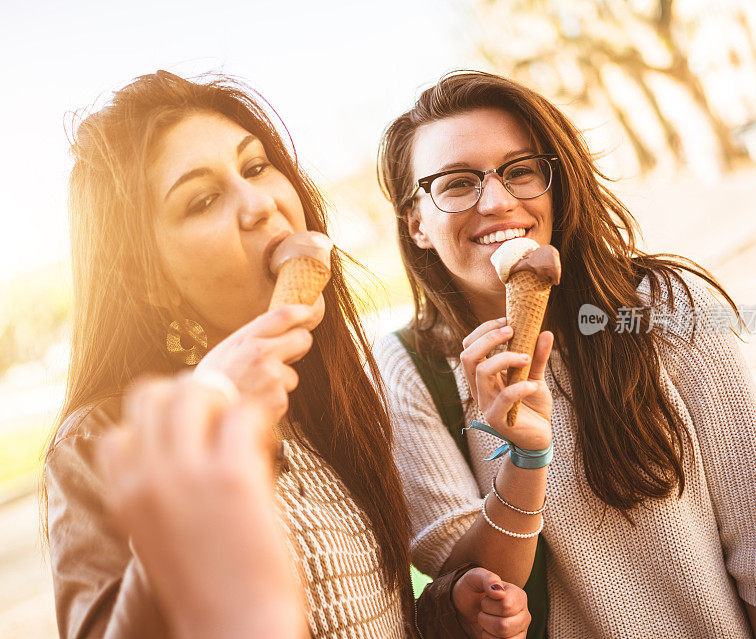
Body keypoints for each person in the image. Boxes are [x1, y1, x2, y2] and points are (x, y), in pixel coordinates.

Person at [42, 70, 533, 639]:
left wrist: (449, 612)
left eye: (255, 167)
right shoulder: (97, 443)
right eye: (202, 200)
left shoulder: (327, 396)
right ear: (149, 282)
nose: (258, 204)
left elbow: (364, 613)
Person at [374, 70, 756, 638]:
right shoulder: (410, 370)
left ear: (557, 186)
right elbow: (474, 588)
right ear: (416, 223)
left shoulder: (662, 308)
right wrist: (524, 460)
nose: (497, 202)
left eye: (521, 171)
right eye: (455, 183)